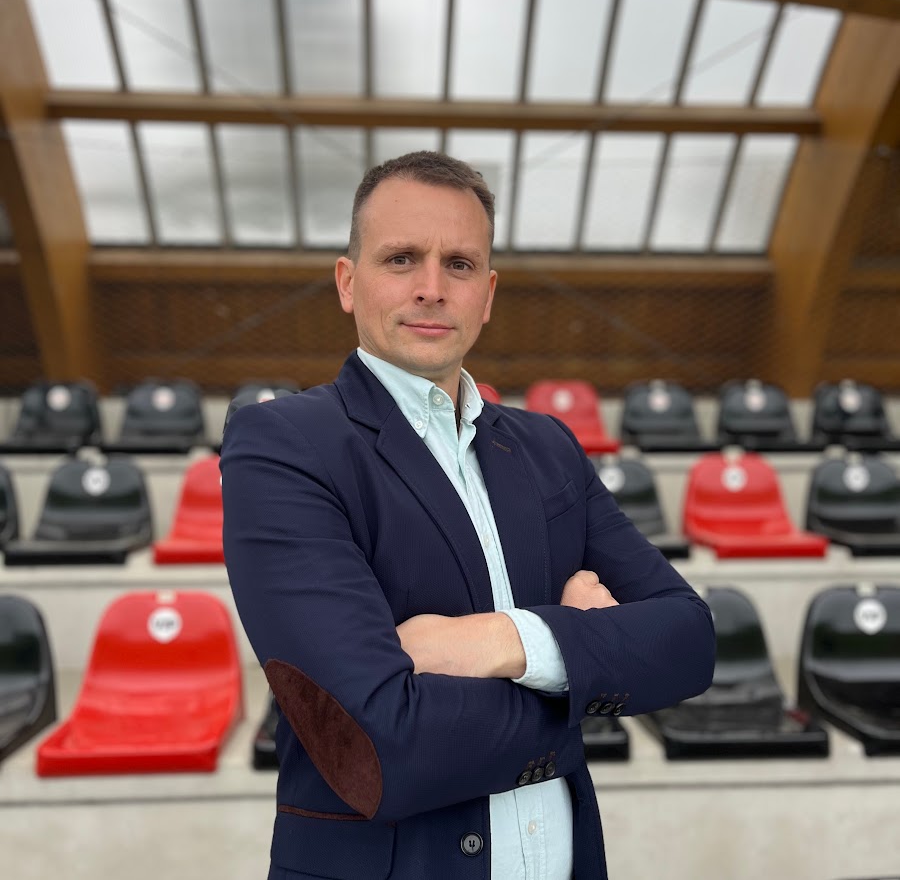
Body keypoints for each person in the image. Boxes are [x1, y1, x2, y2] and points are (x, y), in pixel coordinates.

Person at [221, 150, 715, 880]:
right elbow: (376, 745)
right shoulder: (285, 445)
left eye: (458, 264)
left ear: (487, 294)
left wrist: (500, 642)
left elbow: (690, 642)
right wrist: (582, 667)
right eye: (401, 259)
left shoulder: (548, 448)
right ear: (348, 282)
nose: (431, 287)